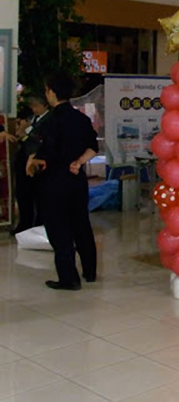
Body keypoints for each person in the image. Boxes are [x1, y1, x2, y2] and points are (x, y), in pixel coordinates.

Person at [27, 72, 99, 291]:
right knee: (81, 224)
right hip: (76, 181)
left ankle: (69, 277)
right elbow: (93, 148)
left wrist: (31, 163)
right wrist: (78, 162)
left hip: (53, 183)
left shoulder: (49, 122)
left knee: (59, 229)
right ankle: (89, 271)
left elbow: (42, 154)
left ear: (51, 92)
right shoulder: (81, 119)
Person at [10, 105, 37, 235]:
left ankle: (28, 224)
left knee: (28, 199)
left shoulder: (33, 133)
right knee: (21, 197)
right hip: (21, 173)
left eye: (19, 122)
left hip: (29, 173)